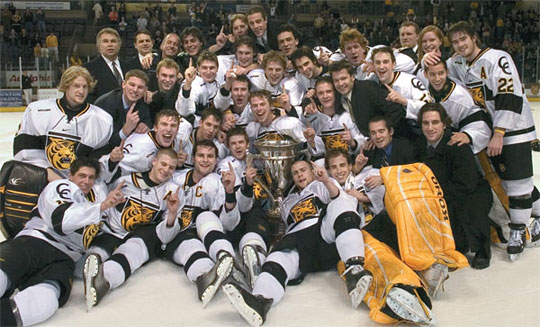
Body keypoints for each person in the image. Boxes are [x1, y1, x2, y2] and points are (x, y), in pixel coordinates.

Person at [222, 159, 372, 326]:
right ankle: (260, 301)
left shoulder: (320, 186)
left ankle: (354, 270)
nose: (300, 174)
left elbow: (342, 199)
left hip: (324, 236)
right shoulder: (287, 202)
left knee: (340, 204)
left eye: (303, 170)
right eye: (295, 172)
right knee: (278, 257)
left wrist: (326, 181)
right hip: (302, 247)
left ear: (312, 172)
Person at [447, 21, 540, 260]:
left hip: (513, 129)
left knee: (518, 183)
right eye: (455, 42)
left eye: (463, 39)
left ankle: (518, 231)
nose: (460, 45)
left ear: (474, 38)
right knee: (510, 182)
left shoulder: (498, 58)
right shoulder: (458, 64)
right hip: (491, 131)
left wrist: (499, 132)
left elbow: (509, 94)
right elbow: (440, 72)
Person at [0, 157, 124, 326]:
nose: (86, 181)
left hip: (64, 259)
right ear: (70, 175)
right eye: (82, 175)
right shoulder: (62, 187)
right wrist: (101, 207)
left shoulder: (91, 205)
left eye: (91, 177)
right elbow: (61, 220)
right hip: (35, 242)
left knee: (46, 301)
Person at [84, 149, 184, 310]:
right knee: (93, 257)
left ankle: (105, 281)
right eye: (163, 164)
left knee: (134, 251)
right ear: (154, 162)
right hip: (111, 231)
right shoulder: (125, 181)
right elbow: (99, 187)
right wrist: (108, 200)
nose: (166, 170)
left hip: (139, 236)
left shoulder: (173, 191)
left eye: (171, 167)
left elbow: (166, 236)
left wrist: (172, 213)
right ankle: (91, 271)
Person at [417, 103, 493, 269]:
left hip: (470, 191)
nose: (430, 128)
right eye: (426, 123)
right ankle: (457, 245)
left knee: (470, 208)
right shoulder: (420, 146)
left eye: (435, 122)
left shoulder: (456, 144)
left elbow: (466, 182)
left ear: (444, 124)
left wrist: (438, 197)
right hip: (443, 193)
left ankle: (481, 250)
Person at [13, 66, 113, 179]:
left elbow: (98, 162)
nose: (81, 91)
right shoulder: (37, 110)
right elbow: (24, 151)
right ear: (66, 86)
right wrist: (50, 176)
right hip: (41, 177)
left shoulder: (101, 119)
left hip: (81, 182)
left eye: (85, 87)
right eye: (76, 86)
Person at [328, 60, 405, 138]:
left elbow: (396, 110)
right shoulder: (336, 97)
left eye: (343, 78)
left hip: (393, 138)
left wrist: (378, 134)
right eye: (336, 80)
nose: (340, 83)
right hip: (362, 140)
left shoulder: (368, 89)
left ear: (353, 77)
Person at [94, 69, 152, 152]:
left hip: (130, 150)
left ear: (145, 90)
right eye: (132, 85)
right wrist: (125, 130)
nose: (135, 90)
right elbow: (104, 143)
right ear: (124, 84)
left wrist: (145, 125)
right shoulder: (105, 104)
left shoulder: (143, 101)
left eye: (140, 87)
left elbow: (148, 121)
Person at [249, 51, 305, 117]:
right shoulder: (254, 78)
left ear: (284, 71)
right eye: (270, 69)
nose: (274, 73)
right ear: (264, 69)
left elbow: (298, 115)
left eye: (278, 70)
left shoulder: (293, 84)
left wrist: (288, 107)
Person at [83, 28, 131, 103]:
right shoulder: (88, 69)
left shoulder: (129, 67)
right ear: (98, 46)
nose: (110, 44)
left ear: (119, 45)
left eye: (113, 41)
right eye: (105, 41)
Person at [176, 50, 222, 118]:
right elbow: (184, 112)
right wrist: (188, 83)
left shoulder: (220, 81)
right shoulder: (193, 83)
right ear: (198, 69)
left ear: (217, 68)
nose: (208, 72)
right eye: (204, 68)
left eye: (212, 68)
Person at [148, 59, 182, 124]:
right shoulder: (146, 85)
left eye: (171, 76)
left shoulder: (180, 91)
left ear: (177, 77)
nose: (167, 80)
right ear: (157, 75)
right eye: (164, 75)